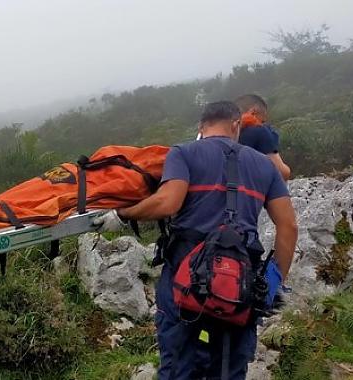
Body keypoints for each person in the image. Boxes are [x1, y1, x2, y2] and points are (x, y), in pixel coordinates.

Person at [94, 101, 298, 379]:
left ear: (201, 127)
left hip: (185, 277)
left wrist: (123, 214)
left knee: (178, 366)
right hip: (240, 284)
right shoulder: (264, 165)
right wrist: (274, 284)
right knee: (228, 369)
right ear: (236, 125)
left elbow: (168, 202)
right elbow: (288, 226)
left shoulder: (184, 153)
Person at [235, 94, 291, 181]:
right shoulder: (259, 130)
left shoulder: (221, 133)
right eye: (262, 121)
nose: (262, 124)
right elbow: (282, 173)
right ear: (253, 112)